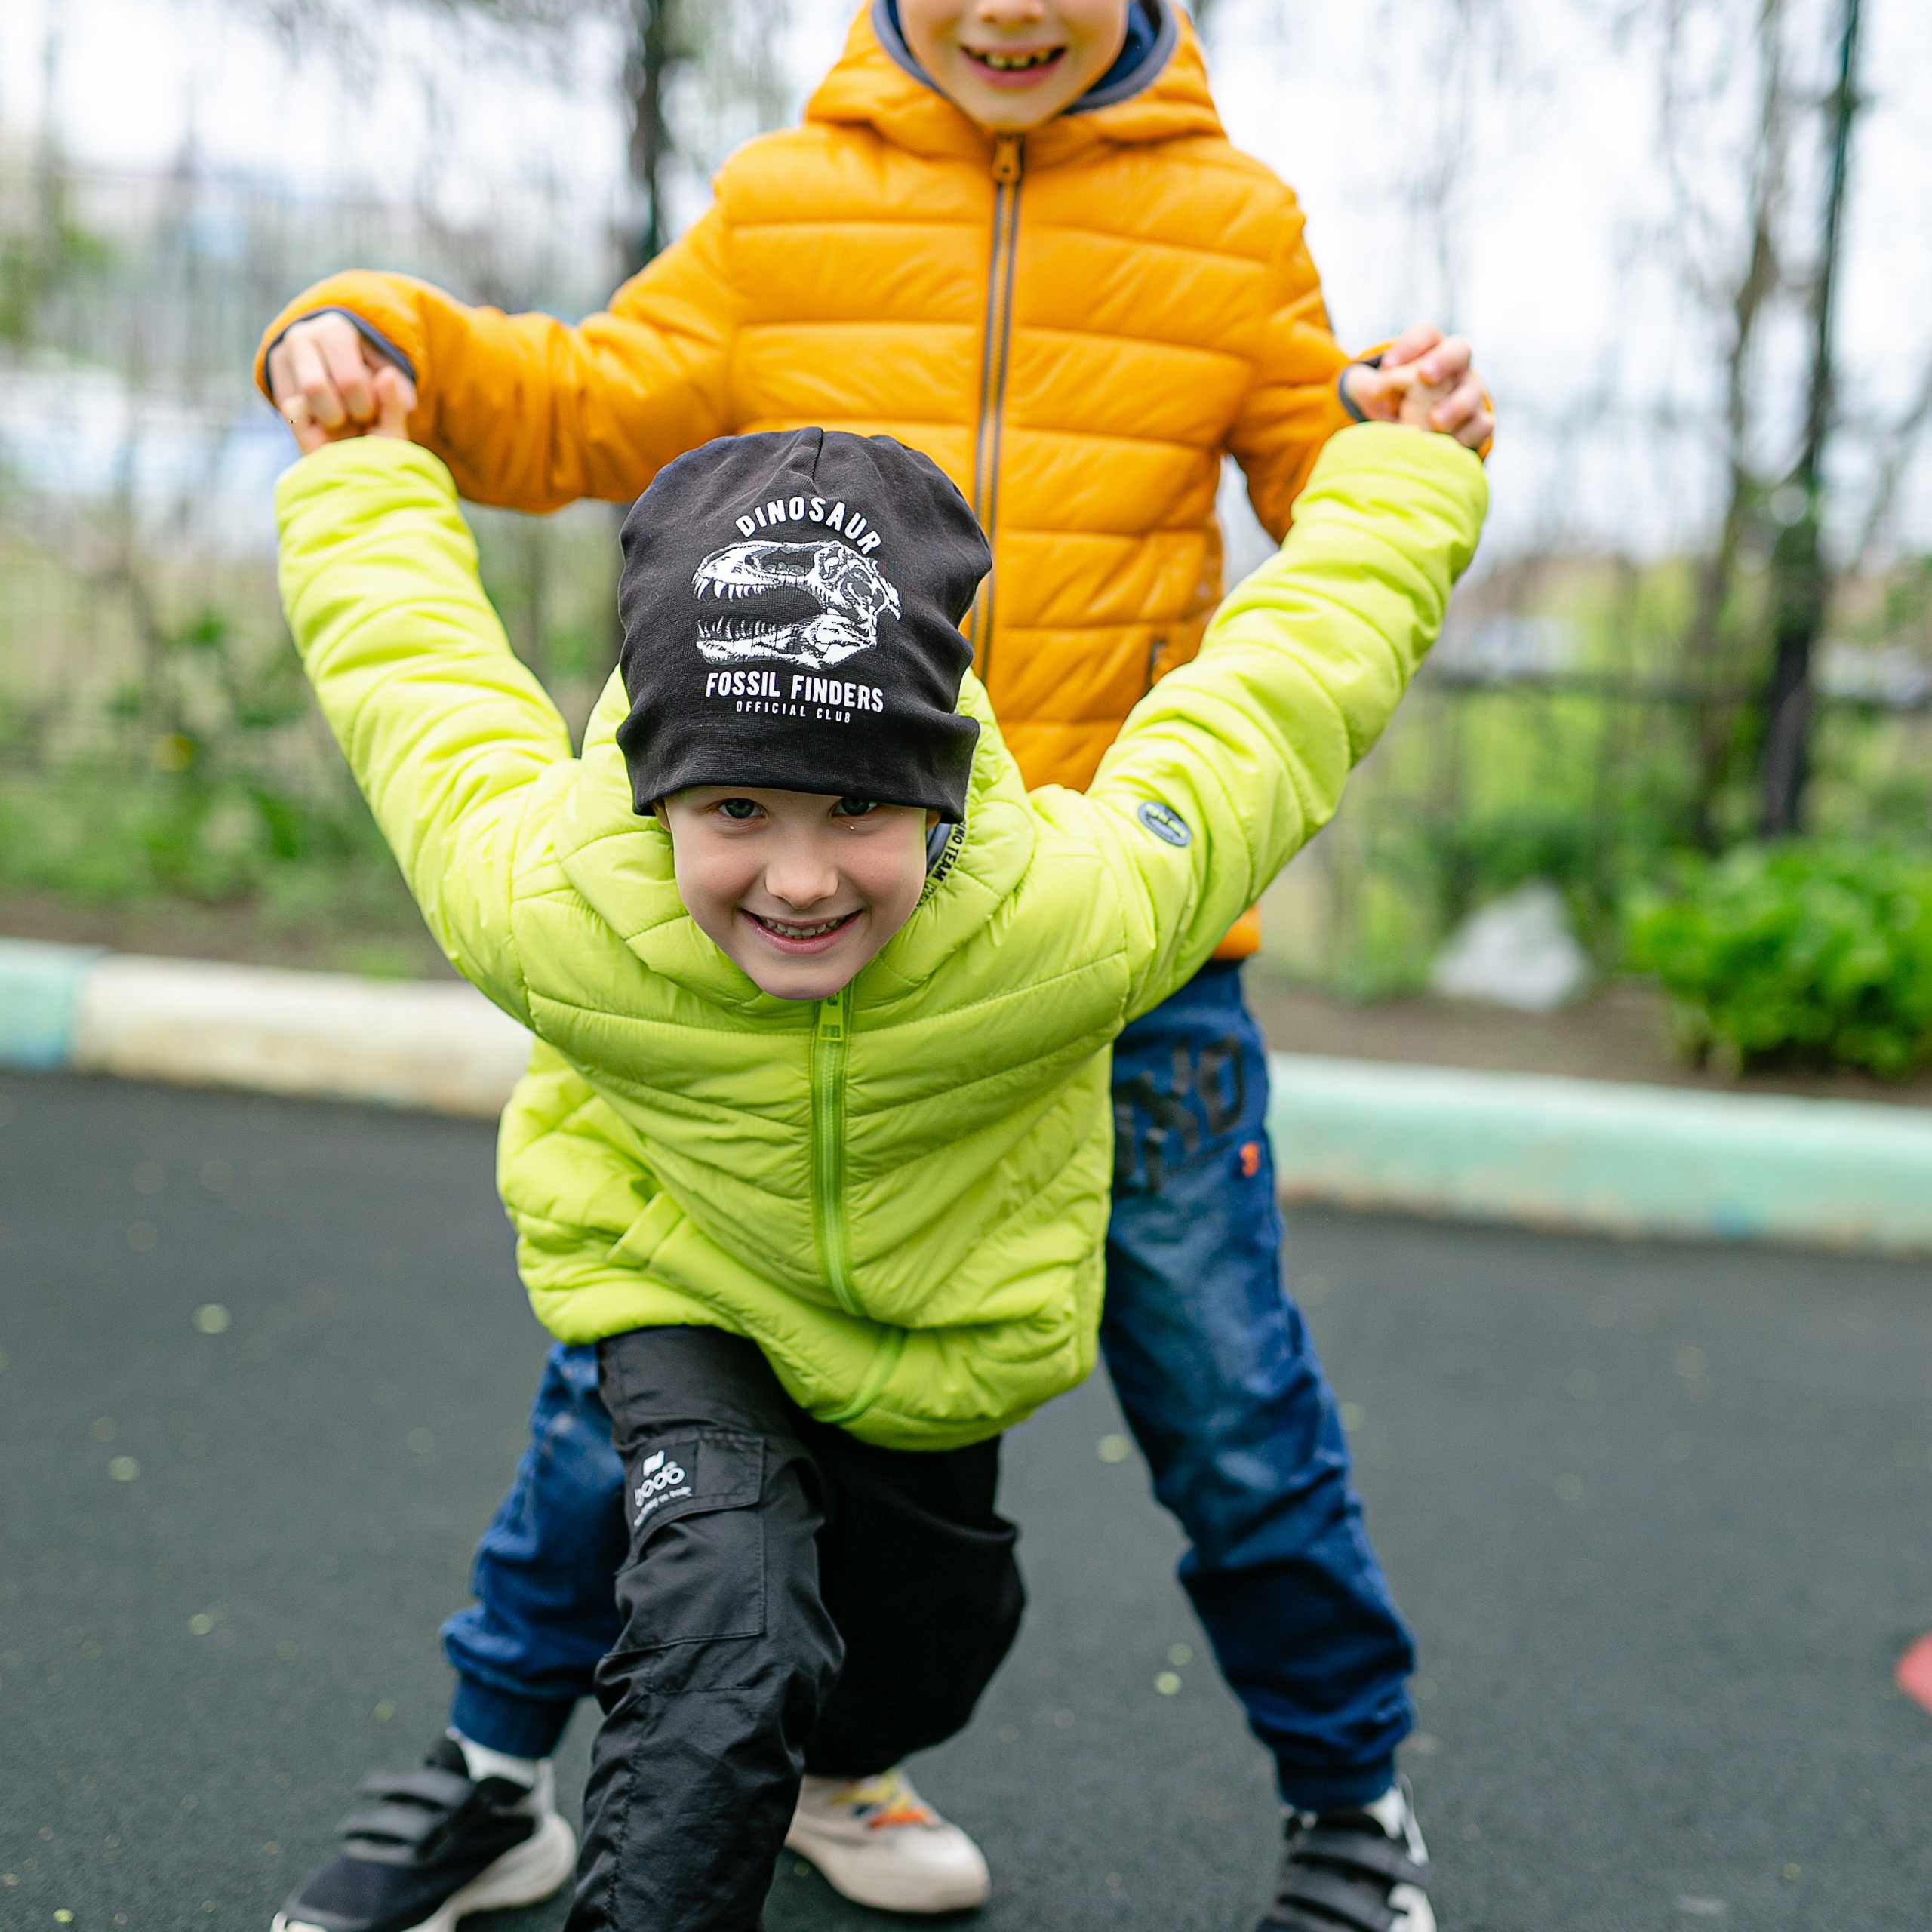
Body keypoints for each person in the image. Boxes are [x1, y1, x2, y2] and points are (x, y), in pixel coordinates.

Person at [258, 4, 1494, 1930]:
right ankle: (495, 1774)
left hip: (1092, 935)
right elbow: (582, 398)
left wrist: (1387, 445)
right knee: (632, 1399)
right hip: (739, 947)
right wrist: (386, 349)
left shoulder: (1232, 229)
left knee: (1229, 1409)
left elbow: (1310, 543)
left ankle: (1348, 1809)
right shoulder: (784, 207)